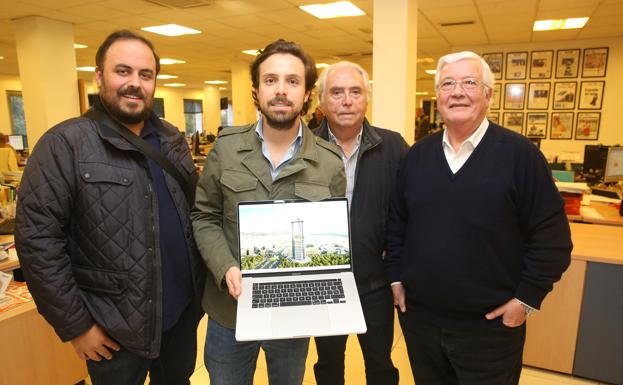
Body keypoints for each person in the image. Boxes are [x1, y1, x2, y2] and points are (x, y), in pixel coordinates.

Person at [14, 30, 205, 385]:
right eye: (123, 71)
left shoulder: (170, 139)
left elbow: (196, 214)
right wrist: (76, 326)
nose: (135, 83)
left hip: (180, 316)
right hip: (114, 329)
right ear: (100, 76)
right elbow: (37, 242)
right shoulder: (64, 144)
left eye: (145, 75)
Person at [385, 51, 572, 385]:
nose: (457, 91)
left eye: (469, 82)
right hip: (421, 323)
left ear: (488, 94)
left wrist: (526, 300)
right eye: (447, 84)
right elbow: (397, 224)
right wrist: (396, 277)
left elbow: (552, 238)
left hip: (490, 329)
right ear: (438, 97)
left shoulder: (521, 156)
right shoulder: (417, 156)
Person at [191, 39, 346, 385]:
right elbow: (205, 216)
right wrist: (224, 266)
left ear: (307, 94)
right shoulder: (226, 150)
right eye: (271, 80)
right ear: (256, 90)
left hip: (292, 315)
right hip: (229, 311)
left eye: (292, 81)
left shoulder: (329, 163)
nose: (281, 90)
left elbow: (331, 237)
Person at [312, 61, 407, 385]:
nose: (347, 100)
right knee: (328, 364)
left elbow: (410, 210)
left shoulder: (393, 147)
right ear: (321, 102)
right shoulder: (303, 149)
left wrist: (398, 260)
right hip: (324, 282)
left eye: (355, 92)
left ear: (367, 99)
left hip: (376, 283)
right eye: (337, 93)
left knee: (380, 363)